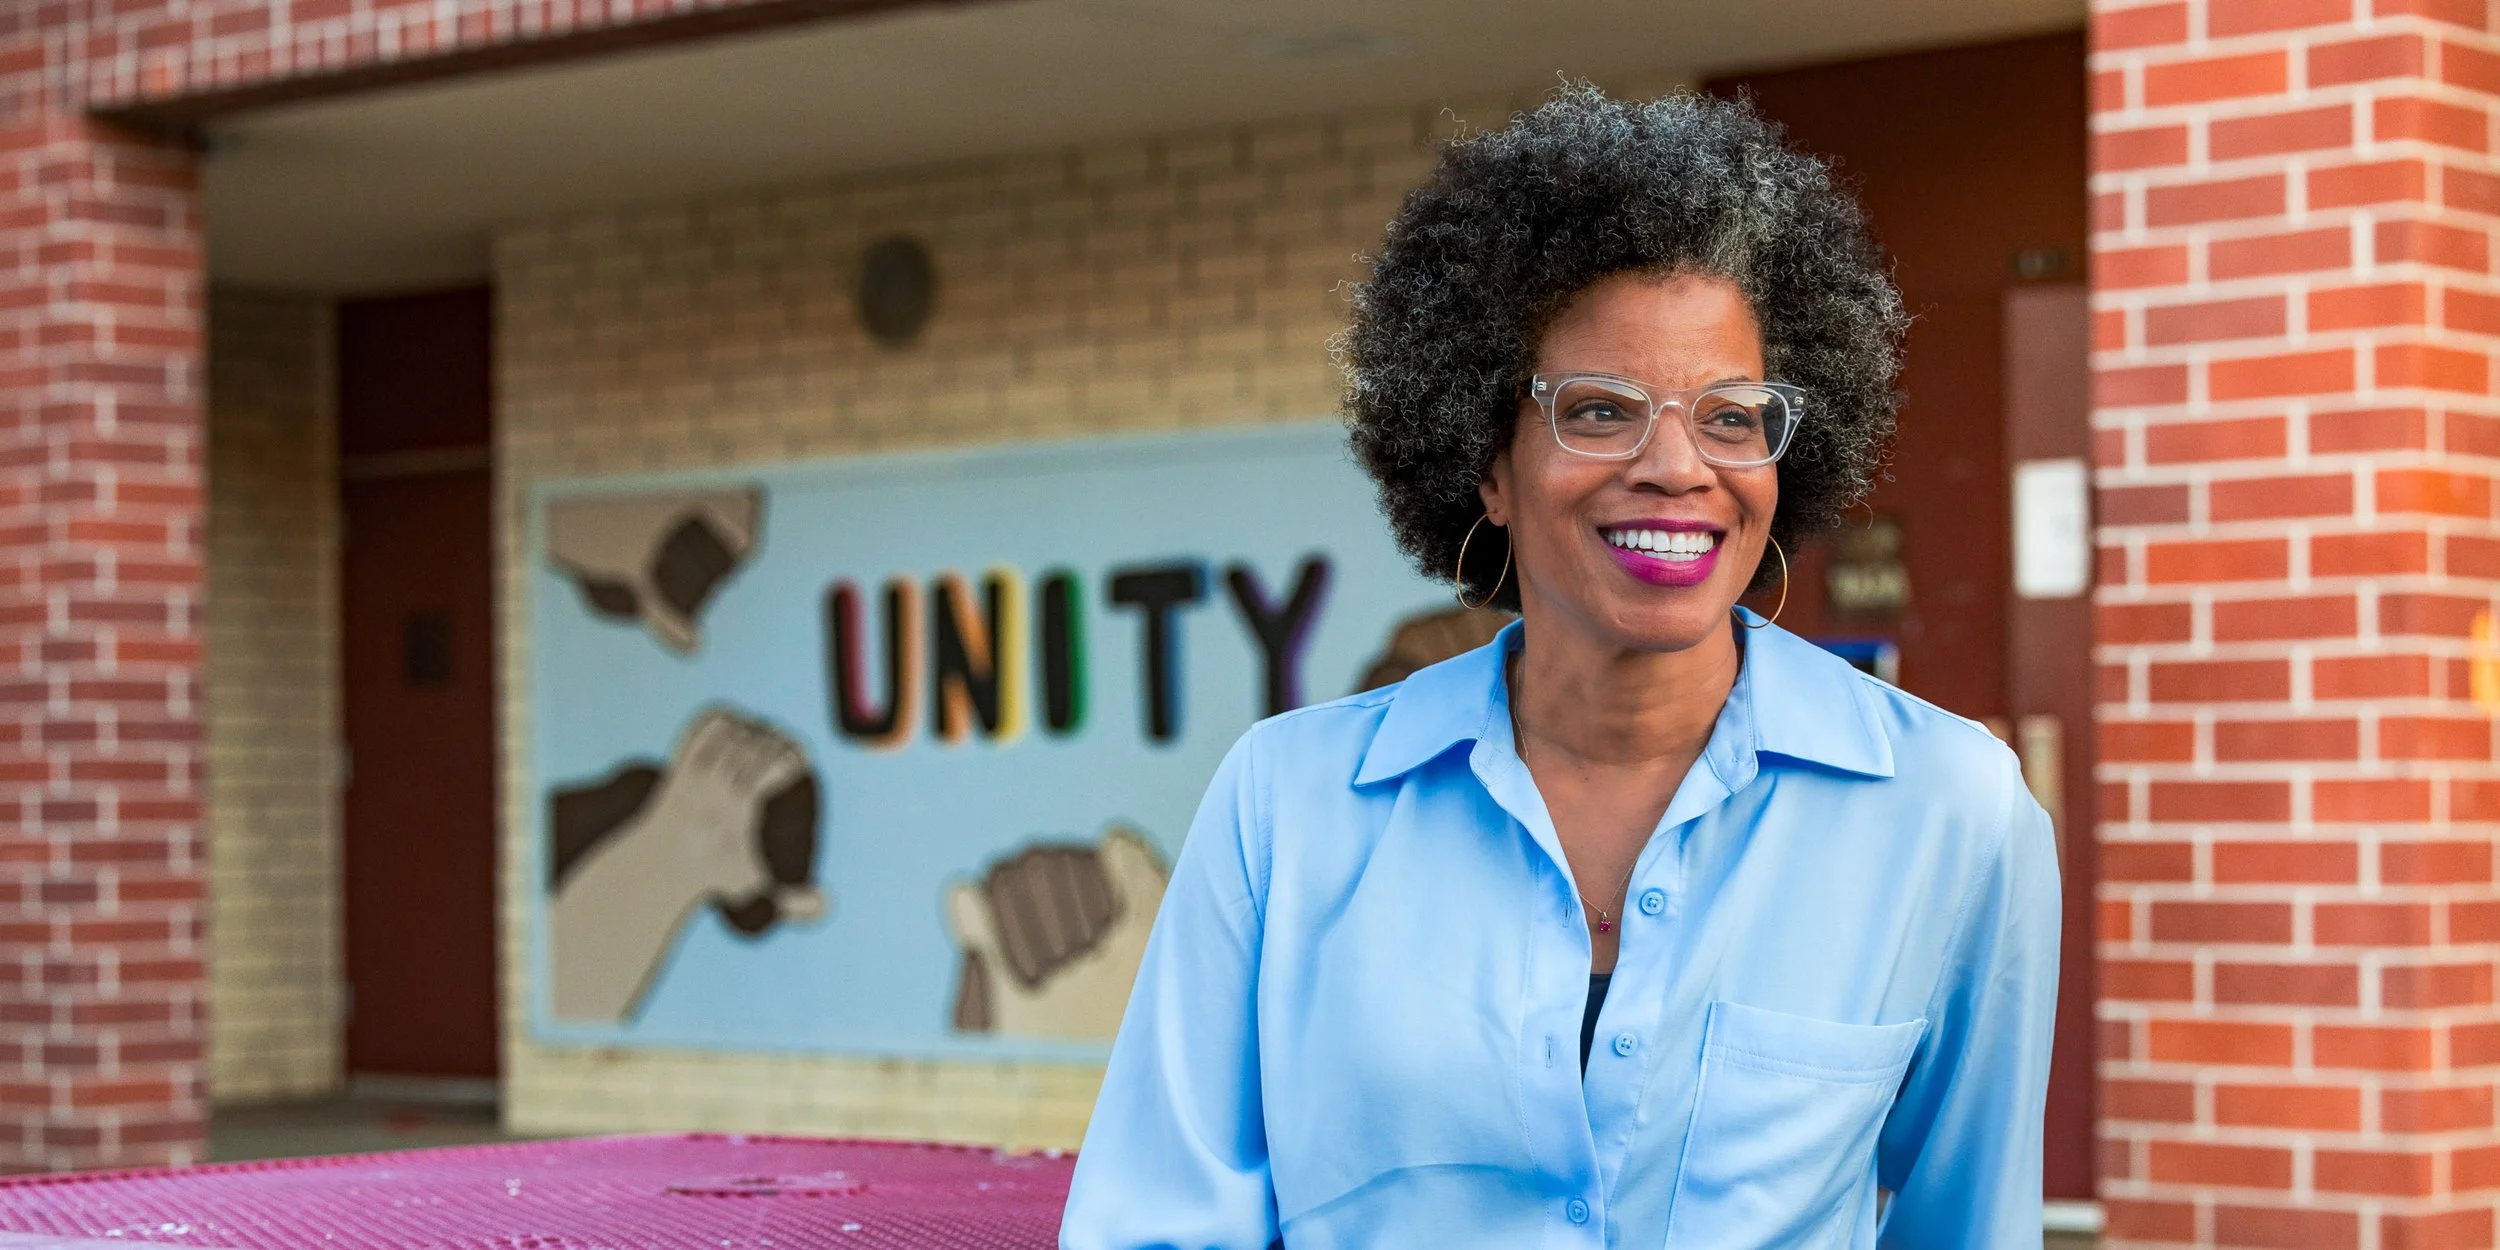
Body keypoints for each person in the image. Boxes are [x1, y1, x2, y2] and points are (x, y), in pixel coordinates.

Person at [1059, 87, 2059, 1248]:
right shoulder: (1286, 806)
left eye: (1732, 417)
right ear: (1486, 462)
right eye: (1598, 408)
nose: (1677, 467)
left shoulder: (1950, 812)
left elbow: (1968, 1226)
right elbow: (1159, 1225)